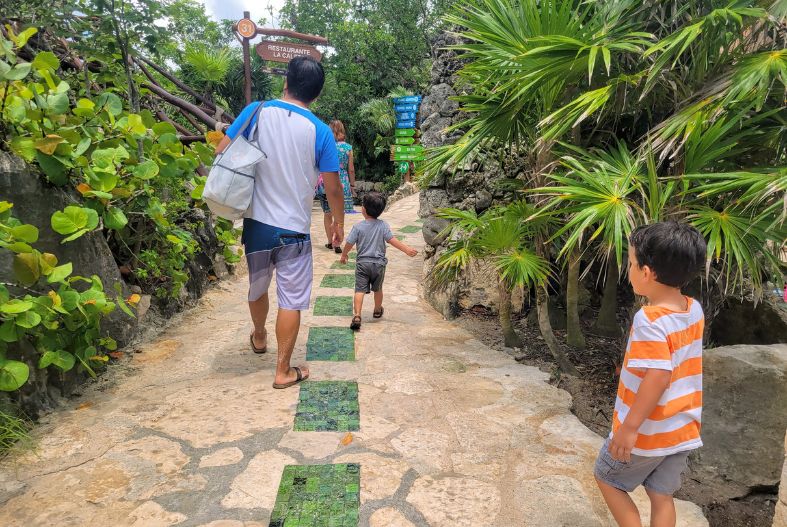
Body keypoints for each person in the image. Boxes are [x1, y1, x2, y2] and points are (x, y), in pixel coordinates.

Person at [214, 56, 345, 389]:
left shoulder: (256, 111)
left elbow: (223, 149)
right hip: (294, 230)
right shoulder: (320, 131)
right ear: (316, 94)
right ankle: (283, 370)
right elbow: (333, 187)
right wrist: (338, 224)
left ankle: (259, 336)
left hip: (257, 223)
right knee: (291, 300)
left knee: (257, 286)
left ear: (285, 82)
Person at [594, 222, 706, 527]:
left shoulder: (650, 319)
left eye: (631, 263)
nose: (628, 269)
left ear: (647, 273)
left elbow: (658, 376)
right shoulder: (692, 309)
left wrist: (629, 428)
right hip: (680, 429)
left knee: (607, 478)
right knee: (661, 495)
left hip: (647, 432)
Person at [339, 192, 418, 331]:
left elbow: (349, 243)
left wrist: (344, 255)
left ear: (363, 209)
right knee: (378, 289)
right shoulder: (383, 225)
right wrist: (407, 250)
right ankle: (377, 309)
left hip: (363, 264)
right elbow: (392, 240)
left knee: (359, 290)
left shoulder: (358, 227)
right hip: (379, 265)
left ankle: (357, 315)